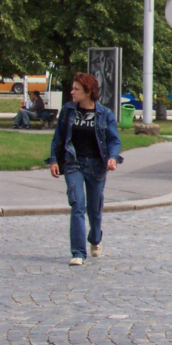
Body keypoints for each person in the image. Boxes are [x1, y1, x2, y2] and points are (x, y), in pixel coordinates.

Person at [47, 73, 123, 267]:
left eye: (76, 89)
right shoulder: (68, 111)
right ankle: (78, 252)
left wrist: (113, 158)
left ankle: (95, 238)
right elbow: (58, 138)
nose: (71, 92)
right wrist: (54, 160)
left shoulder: (104, 114)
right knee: (77, 205)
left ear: (88, 92)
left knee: (94, 209)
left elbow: (114, 140)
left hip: (97, 165)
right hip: (74, 162)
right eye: (72, 88)